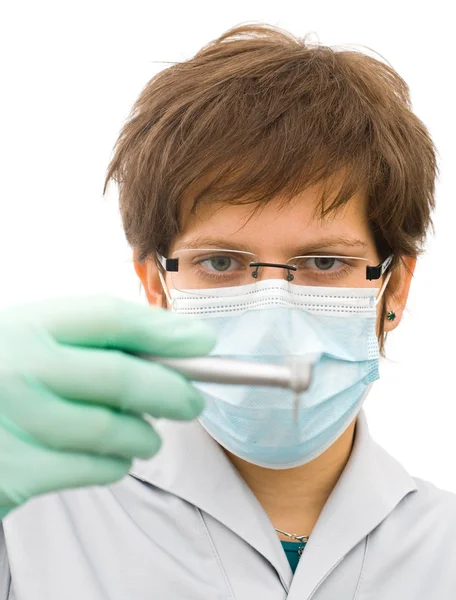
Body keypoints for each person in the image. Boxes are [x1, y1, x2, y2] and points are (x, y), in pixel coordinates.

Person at [0, 22, 454, 600]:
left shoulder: (446, 547)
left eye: (321, 263)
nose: (273, 316)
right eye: (220, 263)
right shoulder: (30, 519)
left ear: (394, 291)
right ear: (156, 287)